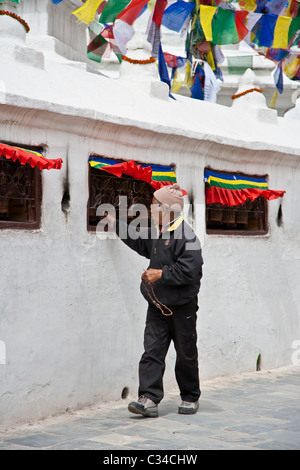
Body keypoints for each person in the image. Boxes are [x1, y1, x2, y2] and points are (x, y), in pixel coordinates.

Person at [107, 183, 203, 417]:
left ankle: (190, 397)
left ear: (168, 209)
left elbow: (191, 271)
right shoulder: (158, 231)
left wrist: (161, 274)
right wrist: (114, 224)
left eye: (154, 204)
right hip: (157, 305)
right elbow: (139, 241)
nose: (150, 207)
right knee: (152, 352)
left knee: (186, 353)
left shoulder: (187, 236)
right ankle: (149, 398)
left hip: (182, 309)